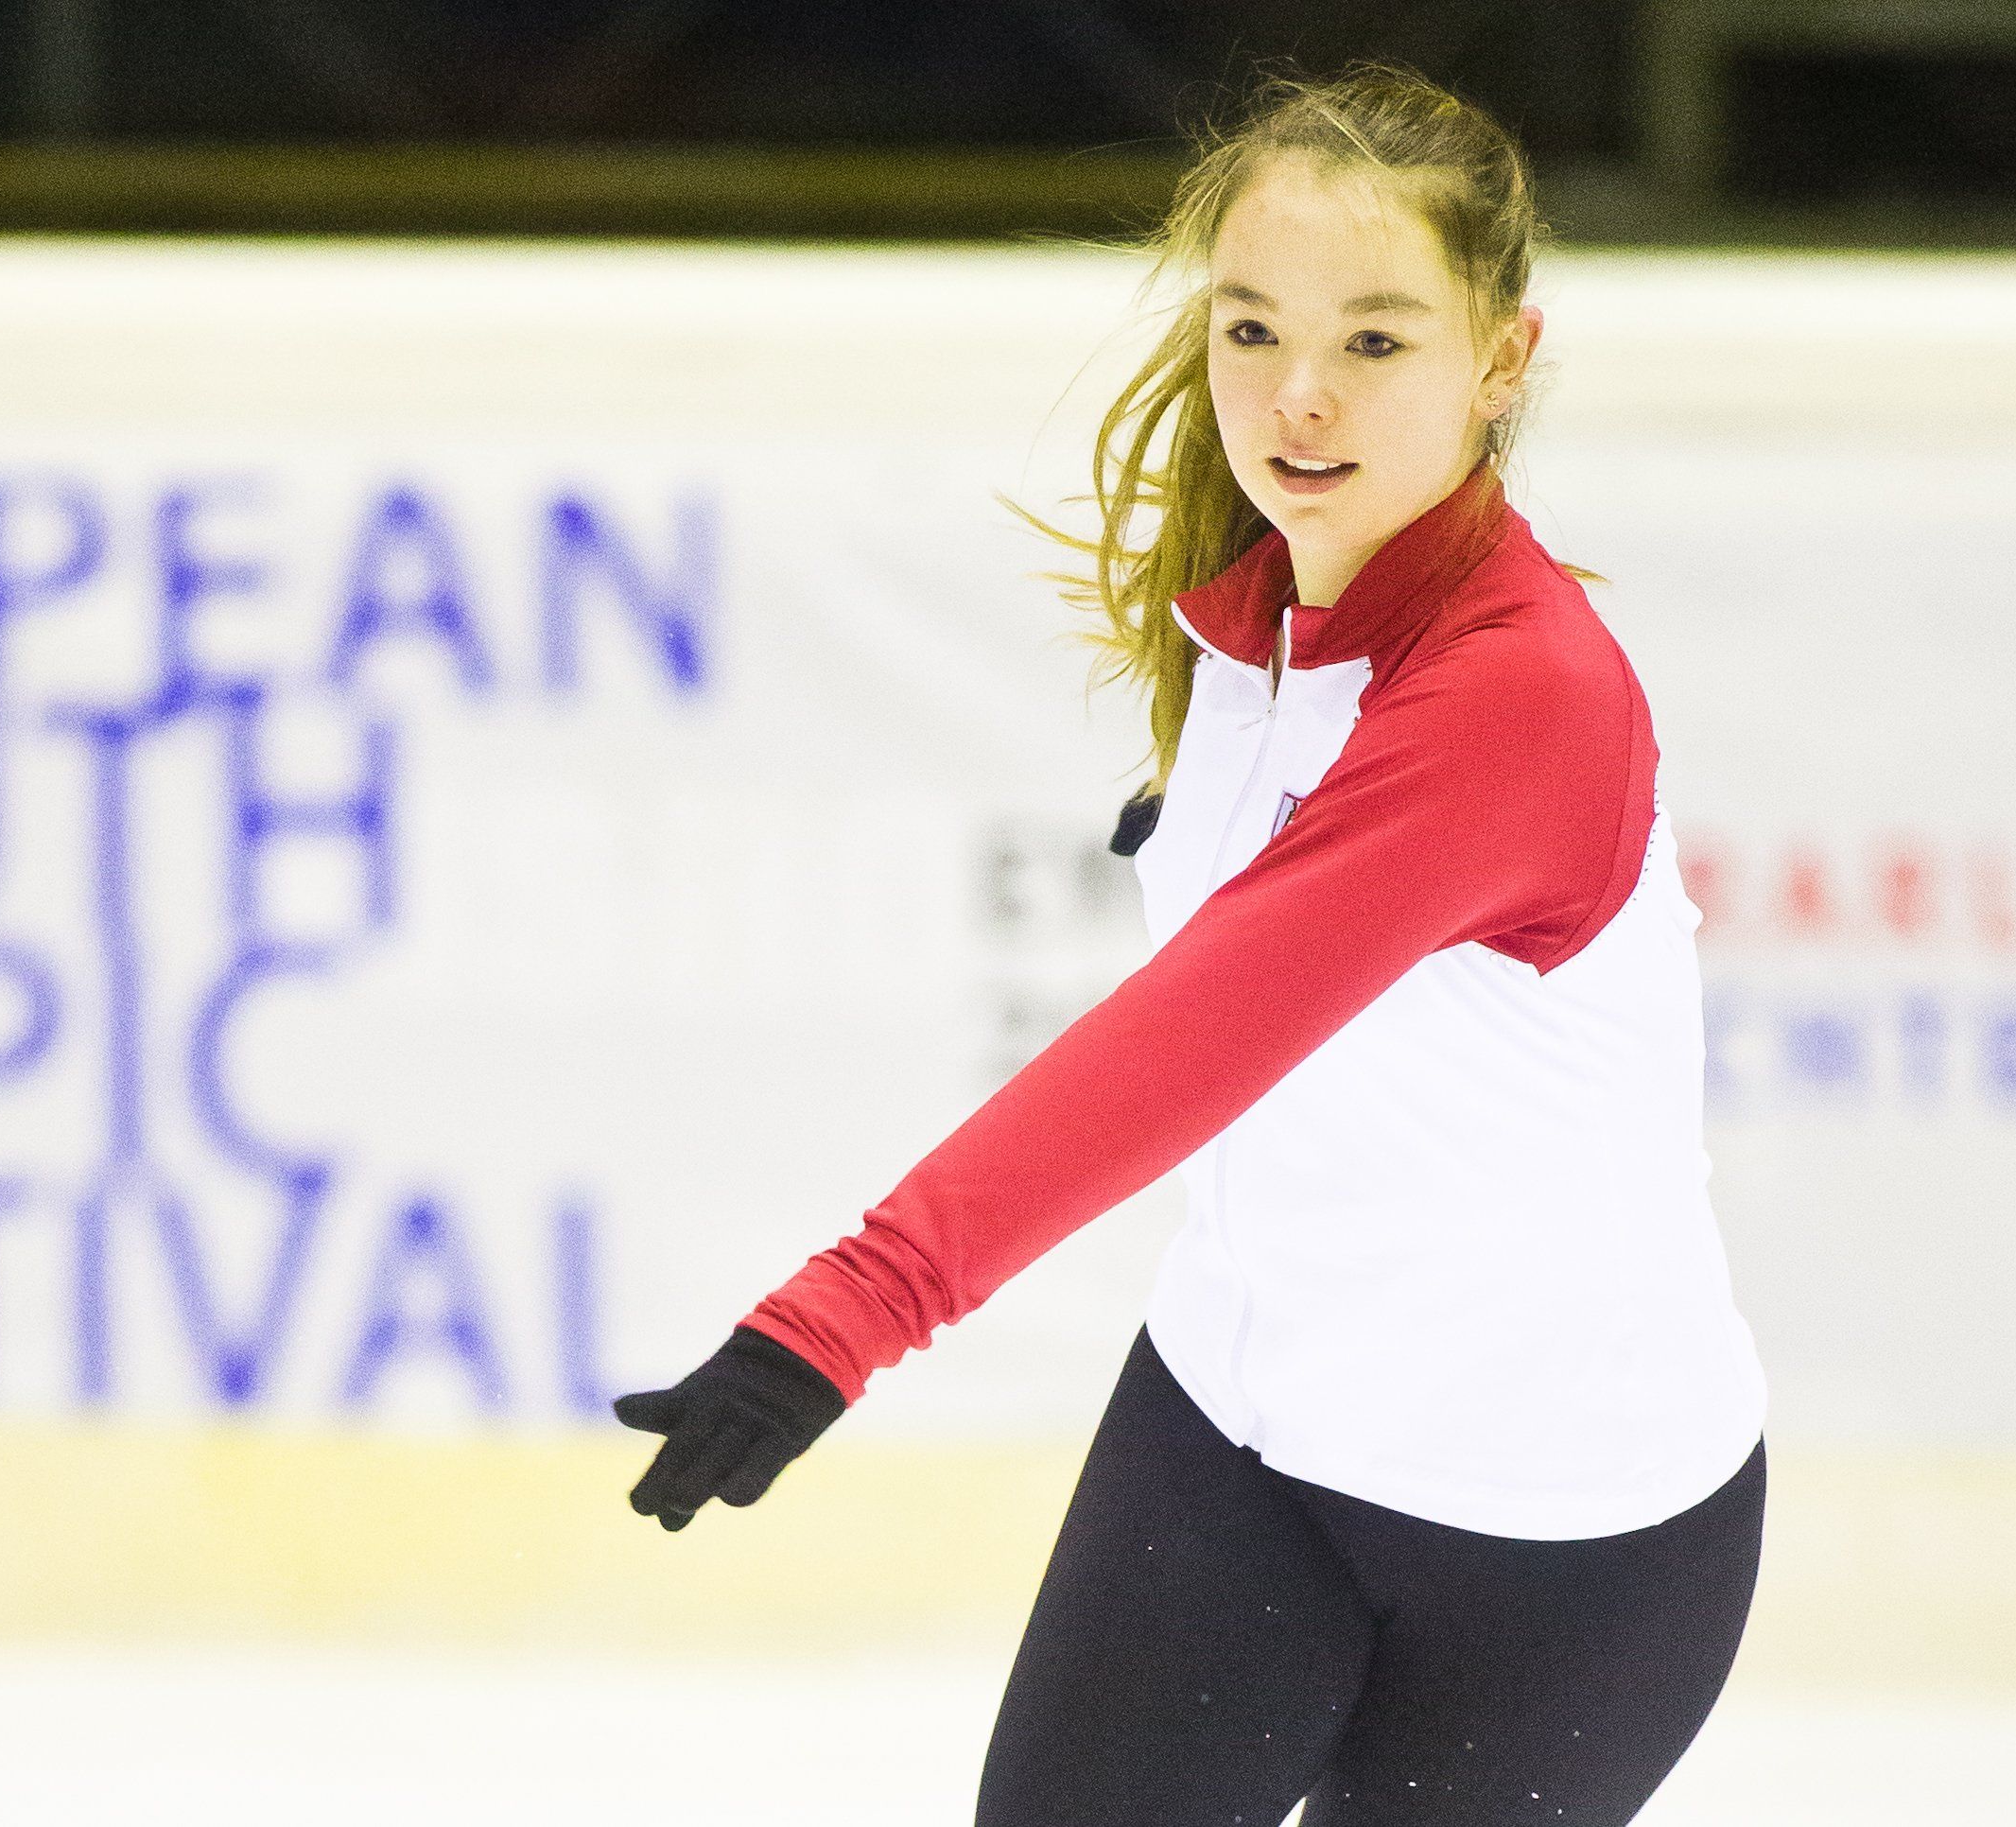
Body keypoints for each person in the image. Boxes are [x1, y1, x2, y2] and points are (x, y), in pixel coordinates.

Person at [611, 62, 1769, 1827]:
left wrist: (845, 1310)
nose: (1295, 397)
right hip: (1237, 1441)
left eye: (1377, 341)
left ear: (1502, 359)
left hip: (1561, 1537)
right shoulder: (1254, 606)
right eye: (1250, 330)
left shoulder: (1518, 694)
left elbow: (1187, 1044)